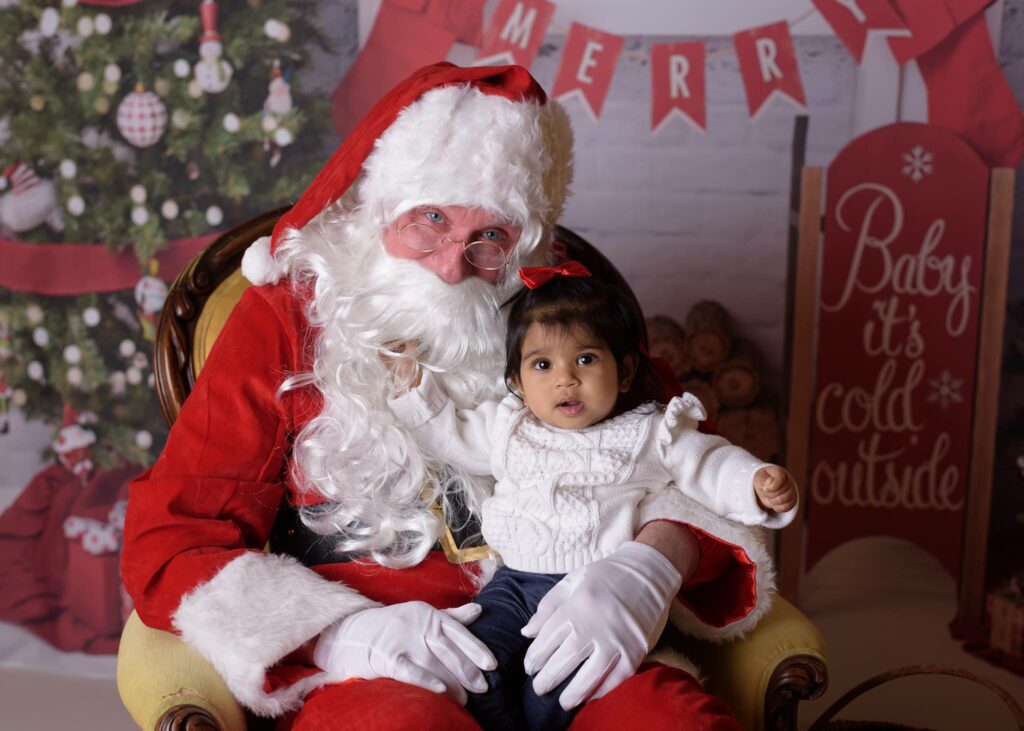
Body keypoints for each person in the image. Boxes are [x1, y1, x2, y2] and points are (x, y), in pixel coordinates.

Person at [122, 62, 783, 730]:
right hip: (382, 670)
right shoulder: (286, 317)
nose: (449, 266)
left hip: (573, 644)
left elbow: (677, 453)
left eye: (488, 238)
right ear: (381, 203)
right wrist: (337, 636)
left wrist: (652, 564)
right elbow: (175, 539)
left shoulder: (555, 317)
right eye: (430, 219)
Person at [380, 263, 798, 730]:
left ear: (624, 372)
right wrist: (409, 383)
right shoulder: (508, 428)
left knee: (564, 683)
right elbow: (446, 434)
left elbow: (710, 464)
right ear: (517, 382)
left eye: (586, 359)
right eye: (543, 364)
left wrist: (756, 480)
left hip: (598, 594)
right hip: (513, 587)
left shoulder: (649, 433)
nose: (566, 379)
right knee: (474, 666)